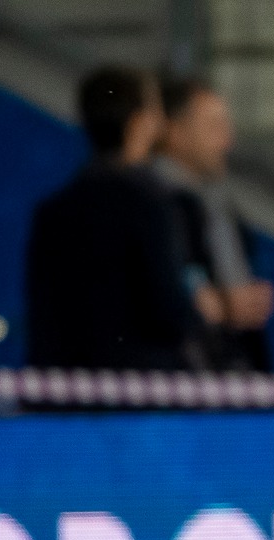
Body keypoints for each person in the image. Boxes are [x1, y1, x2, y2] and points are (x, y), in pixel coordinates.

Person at [24, 67, 202, 372]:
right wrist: (204, 310)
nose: (159, 123)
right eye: (155, 111)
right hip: (141, 397)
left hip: (66, 396)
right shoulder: (152, 206)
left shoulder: (53, 211)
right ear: (139, 124)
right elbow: (170, 316)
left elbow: (44, 320)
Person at [152, 74, 274, 371]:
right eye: (213, 127)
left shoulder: (217, 199)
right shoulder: (150, 207)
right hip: (185, 383)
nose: (227, 140)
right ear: (175, 132)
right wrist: (222, 306)